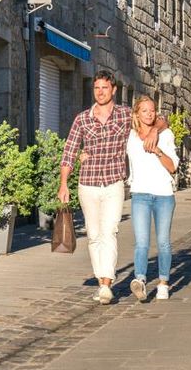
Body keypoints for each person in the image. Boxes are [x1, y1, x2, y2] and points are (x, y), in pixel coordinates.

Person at [59, 71, 164, 304]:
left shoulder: (126, 115)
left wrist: (155, 130)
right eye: (96, 88)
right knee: (94, 235)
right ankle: (101, 281)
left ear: (113, 90)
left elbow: (157, 119)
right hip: (87, 183)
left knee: (110, 232)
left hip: (114, 182)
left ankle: (106, 283)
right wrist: (63, 183)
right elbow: (69, 151)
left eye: (104, 88)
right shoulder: (82, 119)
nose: (100, 92)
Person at [126, 95, 179, 302]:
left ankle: (163, 282)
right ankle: (140, 280)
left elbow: (173, 166)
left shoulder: (166, 134)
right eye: (145, 111)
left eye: (152, 110)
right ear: (136, 114)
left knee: (163, 242)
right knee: (141, 242)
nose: (150, 114)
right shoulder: (130, 136)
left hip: (164, 194)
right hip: (140, 193)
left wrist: (157, 150)